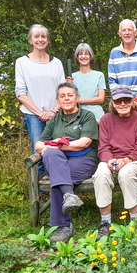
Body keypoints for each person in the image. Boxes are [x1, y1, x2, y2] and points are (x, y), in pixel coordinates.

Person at [35, 83, 99, 243]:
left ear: (77, 98)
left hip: (84, 159)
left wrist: (56, 144)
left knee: (59, 176)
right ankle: (70, 197)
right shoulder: (55, 119)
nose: (66, 98)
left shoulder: (87, 116)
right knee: (51, 155)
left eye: (70, 95)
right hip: (60, 160)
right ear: (58, 100)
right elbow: (38, 145)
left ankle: (64, 227)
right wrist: (49, 146)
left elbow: (84, 142)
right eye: (62, 96)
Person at [92, 86, 137, 240]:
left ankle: (135, 220)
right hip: (111, 159)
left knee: (126, 173)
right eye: (118, 101)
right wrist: (110, 159)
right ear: (112, 102)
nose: (123, 104)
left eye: (126, 100)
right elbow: (103, 146)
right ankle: (105, 223)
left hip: (135, 160)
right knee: (101, 174)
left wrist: (127, 159)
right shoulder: (106, 120)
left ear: (132, 102)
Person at [15, 24, 66, 177]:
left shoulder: (56, 63)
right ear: (30, 40)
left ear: (47, 40)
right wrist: (39, 113)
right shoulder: (22, 62)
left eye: (43, 36)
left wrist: (53, 111)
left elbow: (63, 91)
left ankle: (58, 186)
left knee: (59, 149)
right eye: (36, 36)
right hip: (33, 116)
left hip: (55, 114)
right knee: (39, 150)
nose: (40, 39)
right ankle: (41, 191)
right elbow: (20, 93)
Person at [66, 43, 106, 121]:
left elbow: (101, 99)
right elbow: (69, 99)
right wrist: (68, 85)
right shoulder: (72, 77)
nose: (83, 56)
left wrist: (80, 101)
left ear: (90, 56)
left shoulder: (99, 75)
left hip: (96, 117)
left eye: (86, 54)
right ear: (77, 57)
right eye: (80, 54)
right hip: (77, 117)